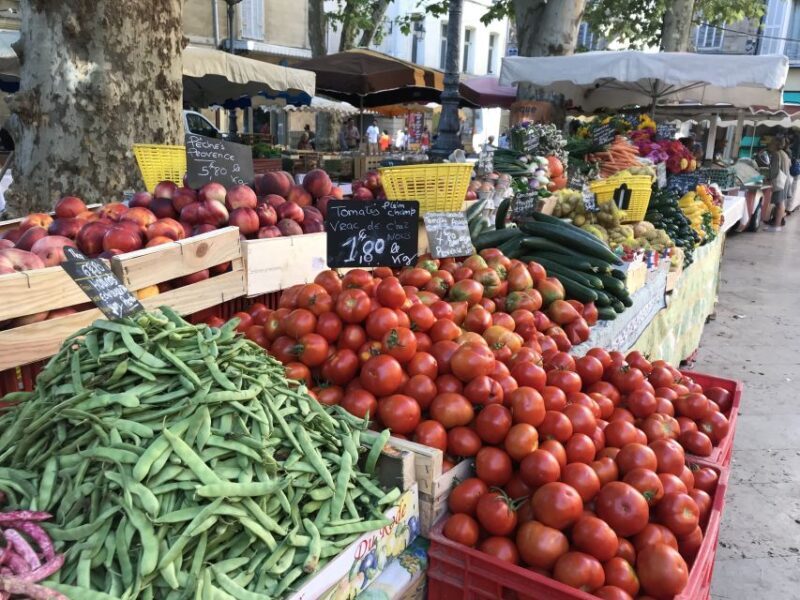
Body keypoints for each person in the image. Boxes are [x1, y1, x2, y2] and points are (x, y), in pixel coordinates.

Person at [765, 136, 791, 232]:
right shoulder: (784, 154)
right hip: (785, 180)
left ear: (776, 144)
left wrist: (768, 178)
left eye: (772, 142)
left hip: (780, 181)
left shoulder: (776, 154)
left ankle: (776, 226)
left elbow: (774, 170)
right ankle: (777, 224)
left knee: (779, 203)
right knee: (781, 202)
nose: (770, 144)